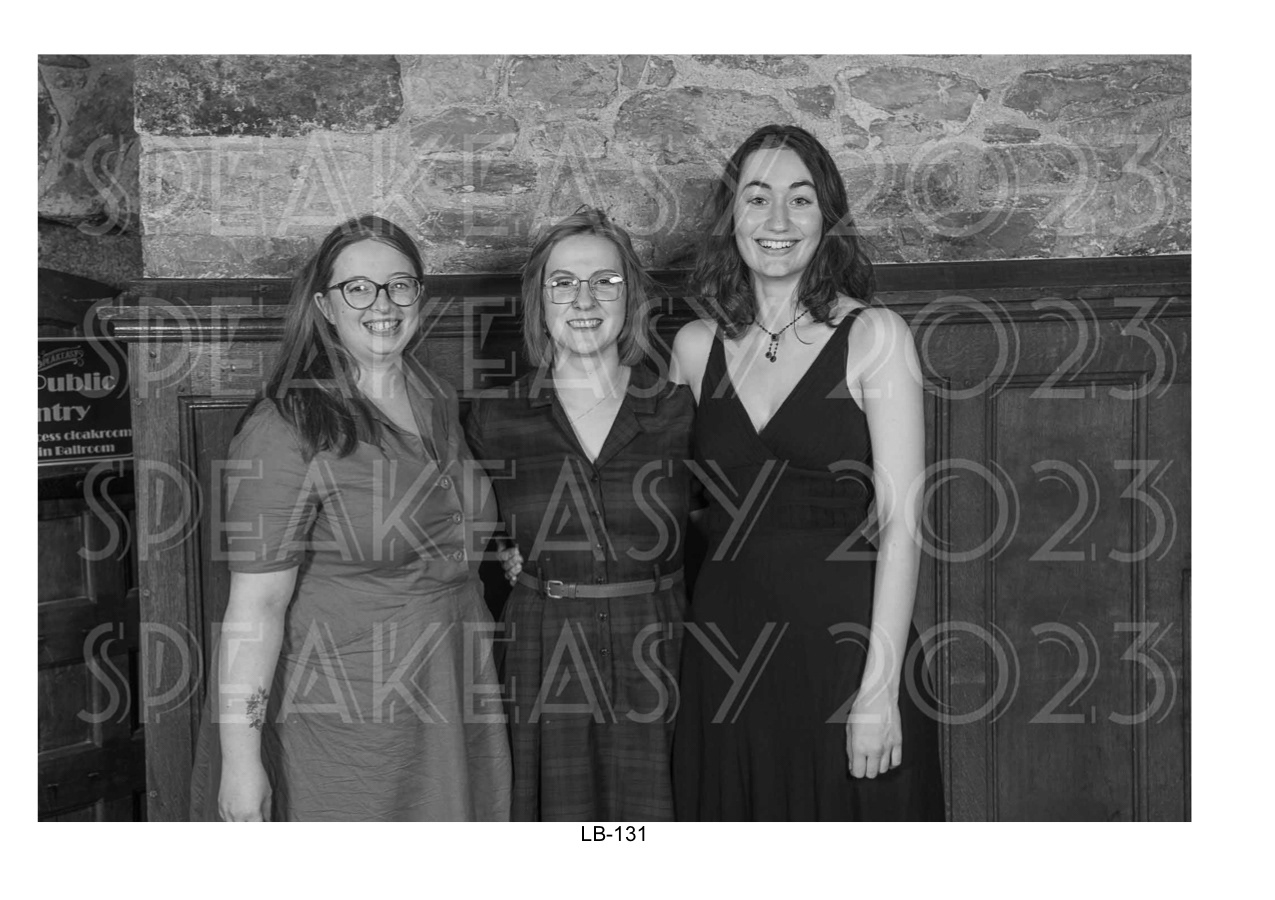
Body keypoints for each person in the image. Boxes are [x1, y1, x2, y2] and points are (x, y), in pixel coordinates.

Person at [188, 215, 512, 821]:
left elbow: (448, 530)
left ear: (419, 295)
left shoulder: (435, 395)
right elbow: (255, 609)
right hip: (343, 721)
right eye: (357, 288)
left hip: (452, 690)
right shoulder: (284, 427)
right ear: (324, 306)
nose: (382, 304)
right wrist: (240, 763)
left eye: (399, 285)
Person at [668, 124, 945, 820]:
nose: (778, 221)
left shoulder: (875, 335)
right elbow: (663, 505)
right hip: (724, 652)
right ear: (731, 215)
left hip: (846, 650)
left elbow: (902, 524)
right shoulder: (693, 346)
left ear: (827, 218)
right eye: (757, 198)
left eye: (800, 199)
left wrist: (880, 689)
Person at [465, 208, 695, 821]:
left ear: (632, 296)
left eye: (606, 281)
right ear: (539, 301)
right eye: (563, 282)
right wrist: (505, 556)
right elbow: (459, 529)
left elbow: (722, 524)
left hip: (659, 648)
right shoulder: (495, 417)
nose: (584, 299)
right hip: (543, 649)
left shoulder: (678, 408)